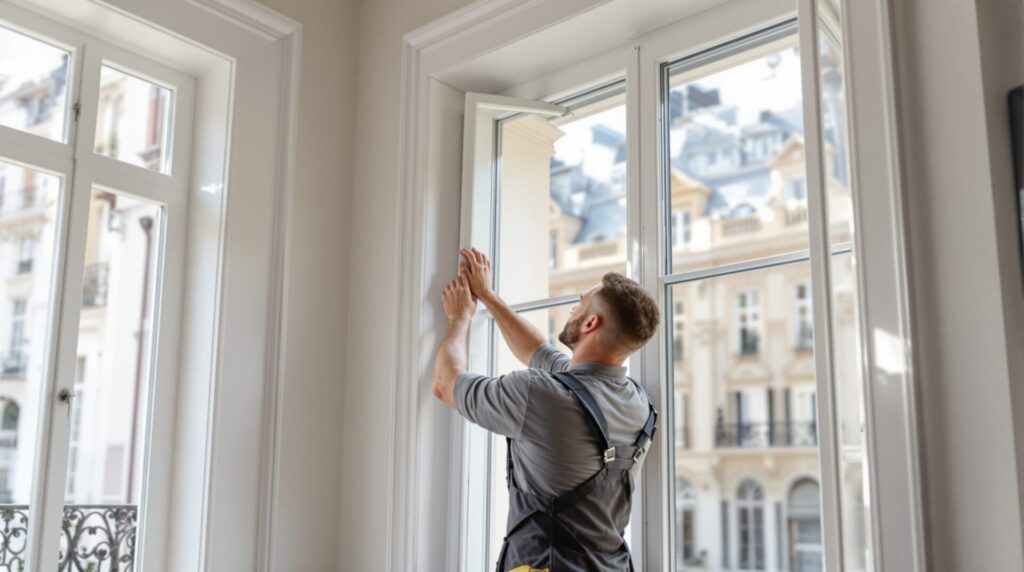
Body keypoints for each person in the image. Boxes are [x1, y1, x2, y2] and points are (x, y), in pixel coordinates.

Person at [432, 247, 661, 572]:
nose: (573, 308)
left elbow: (445, 383)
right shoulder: (640, 404)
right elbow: (539, 352)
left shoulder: (538, 393)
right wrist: (488, 297)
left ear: (590, 323)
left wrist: (460, 318)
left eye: (580, 303)